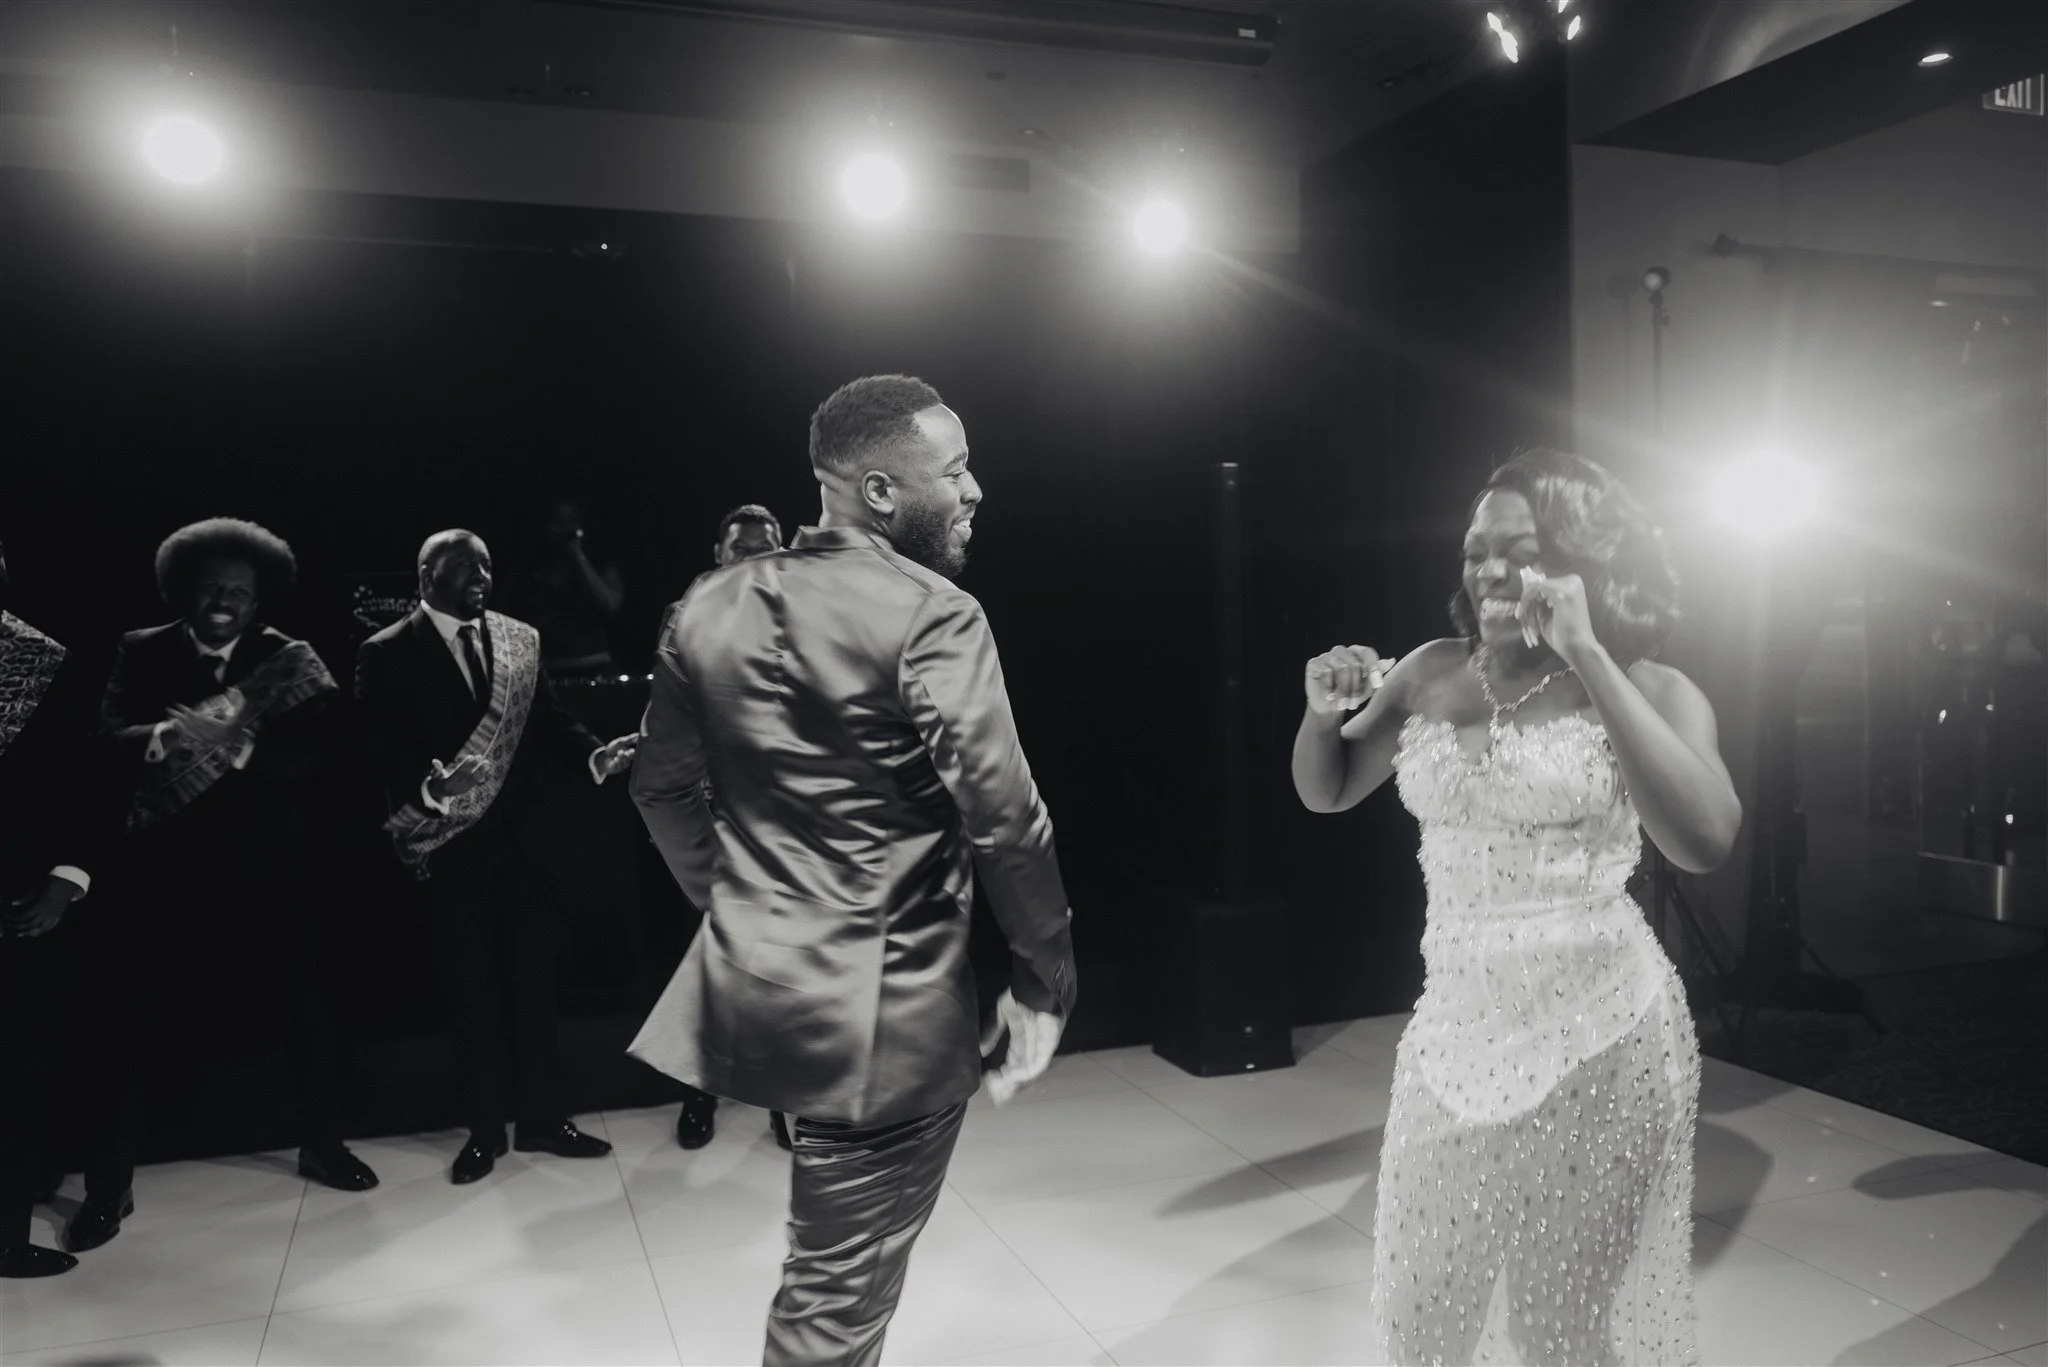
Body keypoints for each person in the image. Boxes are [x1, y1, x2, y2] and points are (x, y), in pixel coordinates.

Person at [629, 375, 1076, 1367]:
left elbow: (659, 790)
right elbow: (1006, 820)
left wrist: (745, 910)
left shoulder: (710, 603)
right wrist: (1045, 979)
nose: (975, 489)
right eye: (955, 470)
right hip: (884, 1022)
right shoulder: (935, 613)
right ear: (880, 490)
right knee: (831, 1310)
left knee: (831, 1273)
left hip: (767, 993)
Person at [1292, 448, 1740, 1366]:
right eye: (1475, 552)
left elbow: (1704, 841)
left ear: (1584, 565)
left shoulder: (1651, 687)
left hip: (1602, 1034)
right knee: (1417, 1323)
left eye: (1522, 552)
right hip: (1453, 1036)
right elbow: (1326, 789)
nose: (1490, 571)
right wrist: (1317, 713)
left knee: (1558, 1332)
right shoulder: (1431, 671)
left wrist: (1589, 654)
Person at [69, 519, 378, 1255]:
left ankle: (321, 1144)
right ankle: (109, 1187)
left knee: (305, 1012)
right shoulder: (142, 648)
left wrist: (237, 747)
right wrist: (166, 738)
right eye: (212, 587)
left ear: (258, 598)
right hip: (161, 870)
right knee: (126, 1026)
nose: (224, 600)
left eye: (239, 590)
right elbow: (105, 735)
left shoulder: (287, 659)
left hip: (268, 866)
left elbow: (325, 760)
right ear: (184, 589)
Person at [354, 529, 638, 1184]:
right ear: (426, 575)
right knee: (472, 995)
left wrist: (593, 754)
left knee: (536, 988)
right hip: (450, 847)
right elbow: (377, 750)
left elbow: (549, 719)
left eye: (485, 564)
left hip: (527, 844)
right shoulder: (385, 651)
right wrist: (433, 789)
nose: (480, 574)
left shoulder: (518, 639)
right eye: (464, 565)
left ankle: (543, 1119)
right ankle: (485, 1132)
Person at [659, 501, 790, 1154]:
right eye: (742, 548)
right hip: (712, 812)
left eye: (765, 548)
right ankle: (700, 1091)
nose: (753, 558)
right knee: (710, 960)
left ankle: (786, 1100)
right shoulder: (685, 616)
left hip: (789, 814)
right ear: (719, 555)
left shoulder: (805, 616)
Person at [0, 540, 114, 1277]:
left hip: (25, 898)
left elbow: (87, 780)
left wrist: (64, 881)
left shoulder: (46, 660)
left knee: (20, 1070)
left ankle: (8, 1233)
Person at [521, 499, 627, 680]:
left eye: (571, 519)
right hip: (552, 667)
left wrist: (578, 556)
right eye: (559, 520)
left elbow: (611, 603)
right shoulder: (536, 564)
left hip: (595, 664)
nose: (566, 526)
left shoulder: (599, 560)